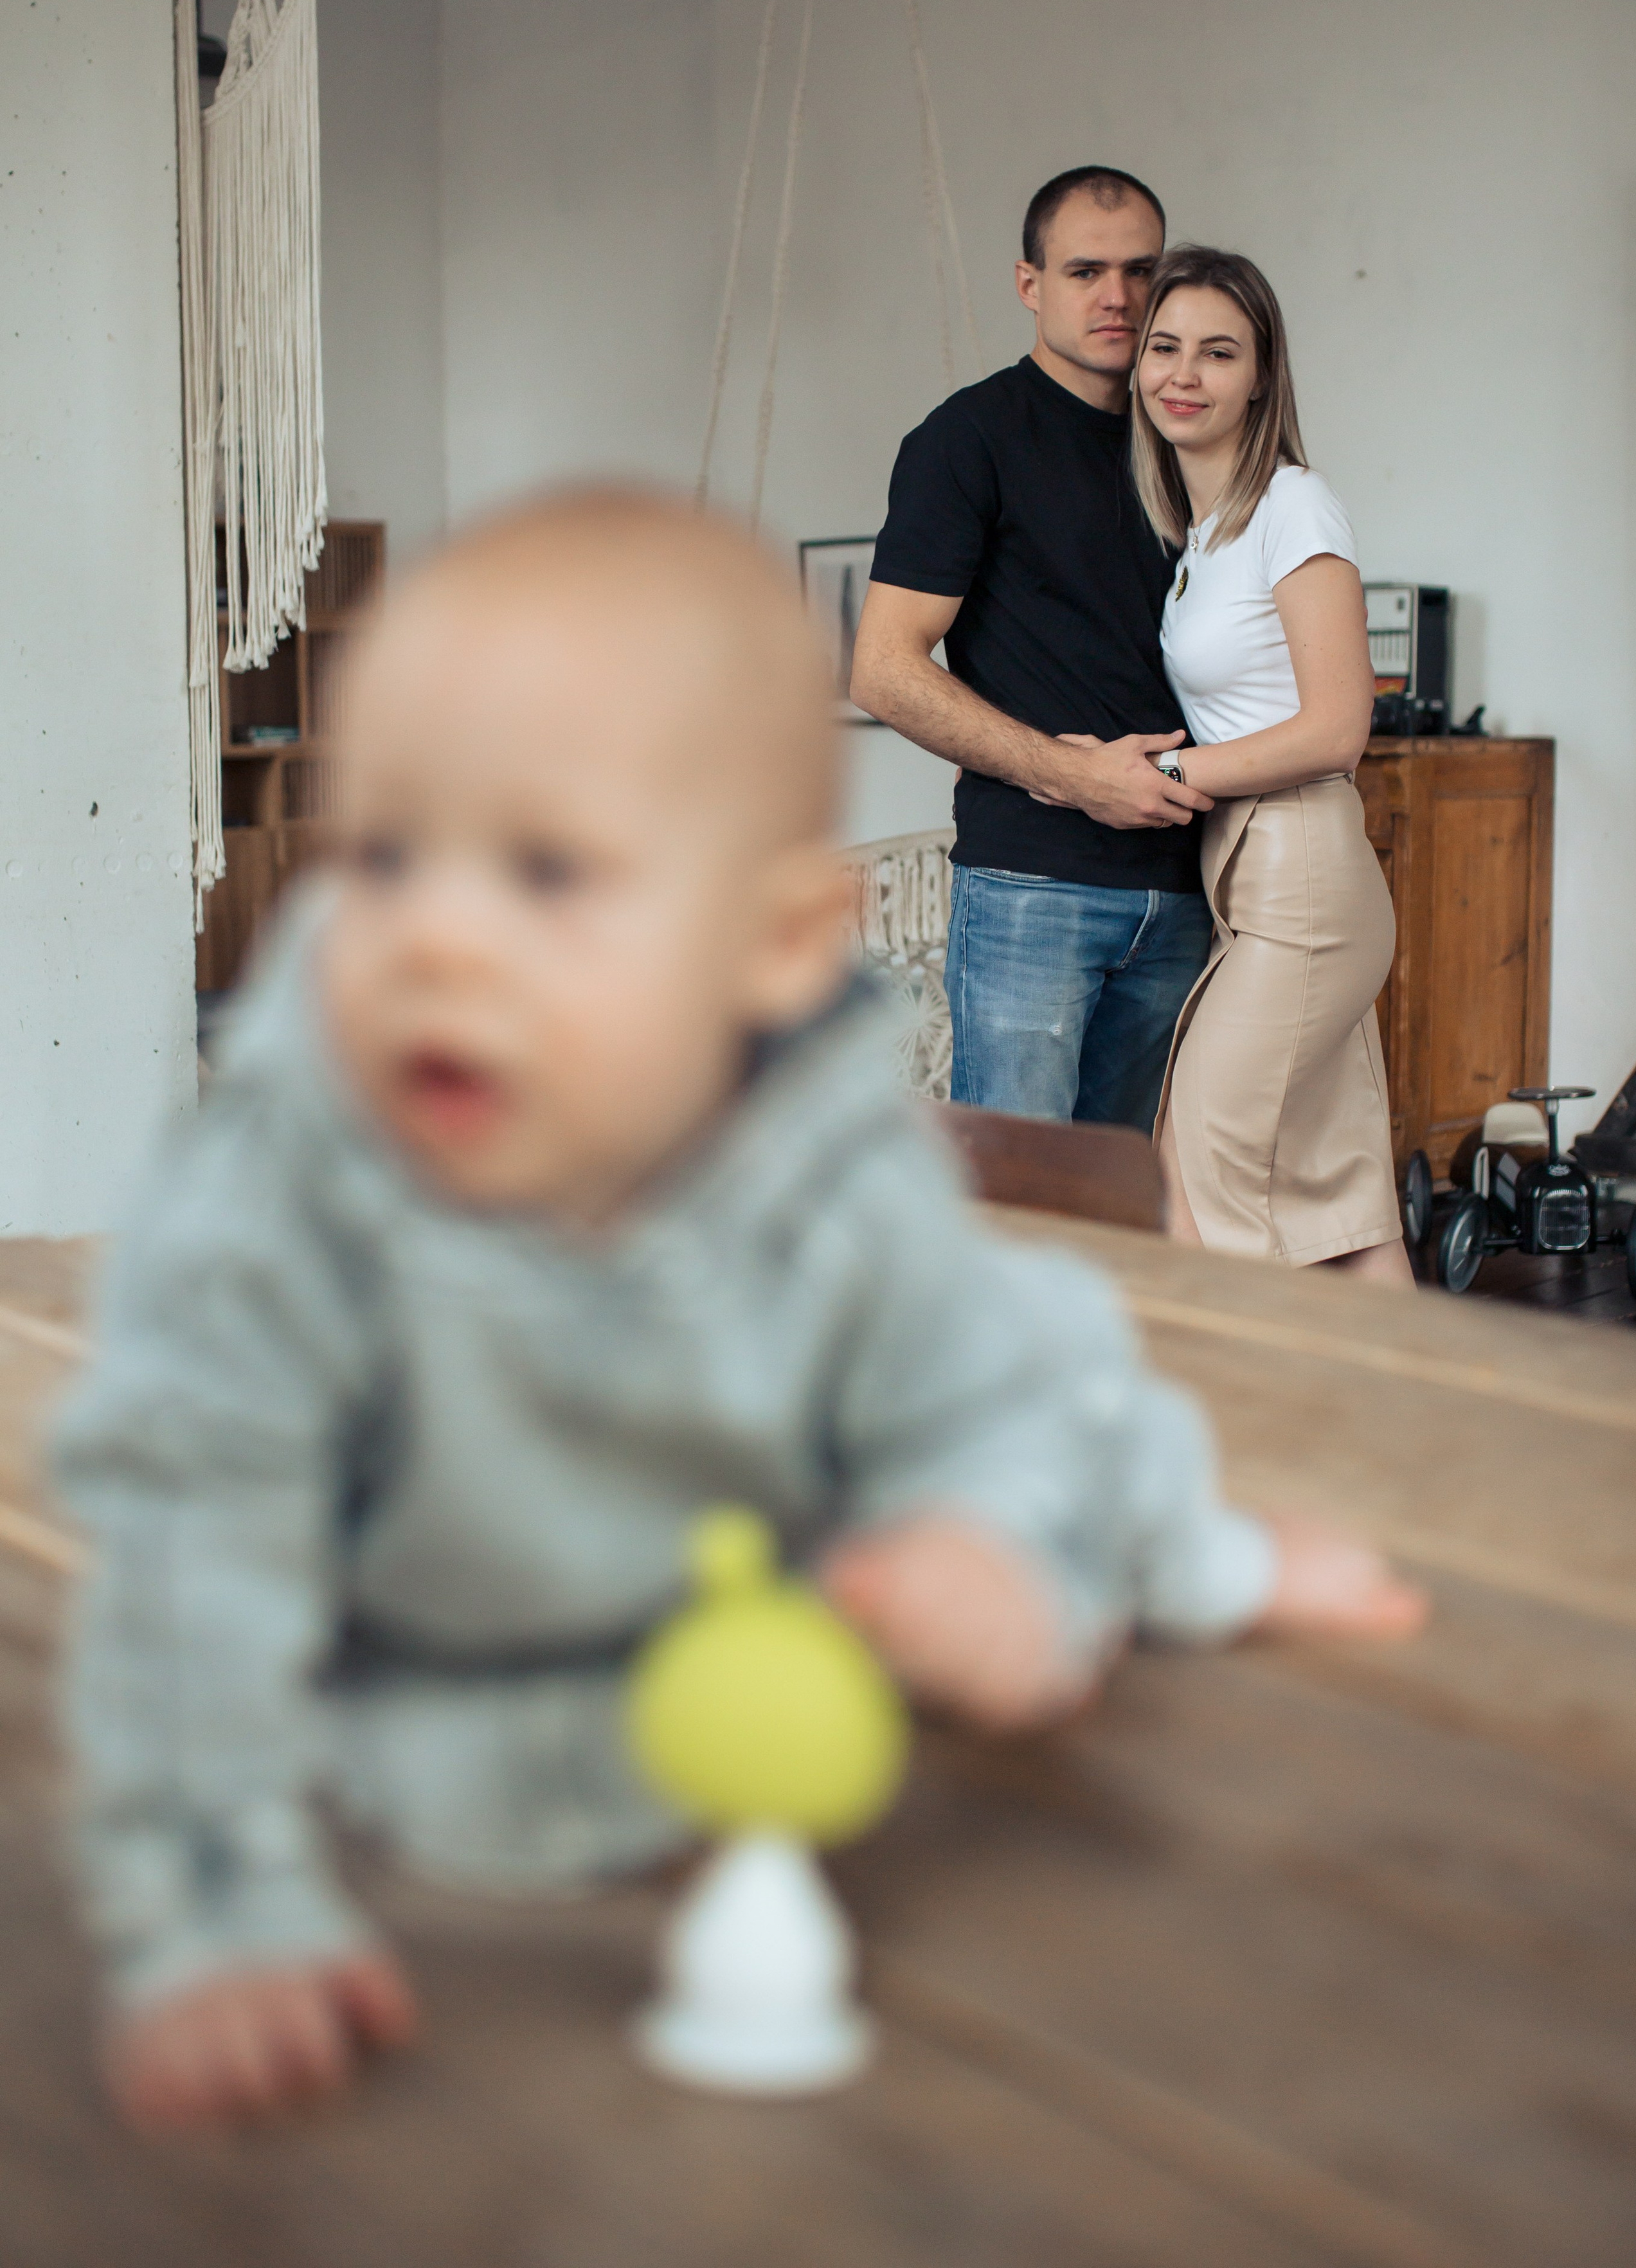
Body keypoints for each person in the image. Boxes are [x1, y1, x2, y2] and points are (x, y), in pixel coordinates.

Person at [52, 487, 1423, 2134]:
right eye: (388, 857)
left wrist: (984, 1546)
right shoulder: (285, 1187)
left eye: (546, 870)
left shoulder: (835, 1178)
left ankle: (1203, 1558)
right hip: (441, 1660)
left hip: (789, 1562)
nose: (436, 943)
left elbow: (985, 1412)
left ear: (773, 945)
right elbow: (188, 1543)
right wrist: (218, 1913)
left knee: (1056, 1373)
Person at [850, 166, 1216, 1133]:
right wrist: (1074, 776)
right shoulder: (967, 439)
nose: (1118, 296)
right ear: (1030, 285)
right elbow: (884, 670)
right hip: (1034, 889)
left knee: (1130, 1200)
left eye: (1141, 271)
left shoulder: (1190, 440)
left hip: (1195, 887)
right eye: (1086, 270)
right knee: (1021, 1195)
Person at [1131, 246, 1412, 1283]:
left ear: (1261, 375)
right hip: (1258, 875)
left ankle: (1235, 1391)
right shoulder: (1202, 538)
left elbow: (1339, 728)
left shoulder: (1294, 503)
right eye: (1164, 347)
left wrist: (1173, 775)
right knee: (1348, 1204)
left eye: (1218, 352)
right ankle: (1429, 1397)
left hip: (1302, 877)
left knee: (1191, 1179)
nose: (1184, 374)